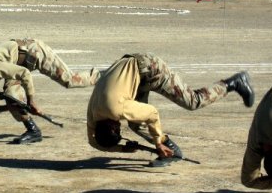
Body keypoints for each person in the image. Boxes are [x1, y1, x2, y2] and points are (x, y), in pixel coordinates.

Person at [87, 52, 255, 162]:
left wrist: (157, 143)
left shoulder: (117, 109)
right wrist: (123, 149)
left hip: (150, 69)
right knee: (136, 124)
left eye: (118, 127)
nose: (120, 125)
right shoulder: (94, 114)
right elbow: (93, 142)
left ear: (113, 125)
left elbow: (152, 113)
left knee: (192, 101)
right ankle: (171, 149)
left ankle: (232, 83)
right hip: (132, 71)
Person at [0, 38, 101, 144]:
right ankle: (33, 131)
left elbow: (24, 73)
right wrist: (8, 107)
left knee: (70, 81)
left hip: (33, 53)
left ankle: (103, 75)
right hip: (15, 65)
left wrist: (31, 101)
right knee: (12, 97)